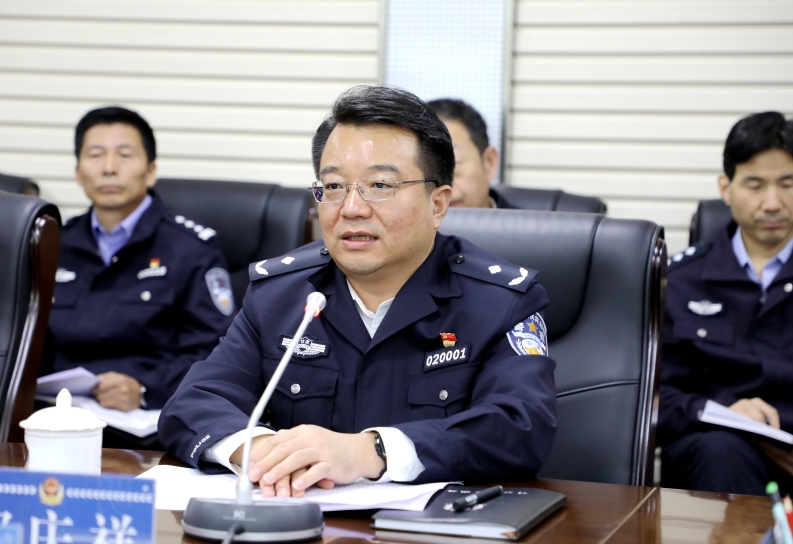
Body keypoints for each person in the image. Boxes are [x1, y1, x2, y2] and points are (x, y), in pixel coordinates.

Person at [159, 86, 557, 498]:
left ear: (437, 204)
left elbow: (520, 427)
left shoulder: (500, 301)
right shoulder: (279, 295)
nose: (351, 208)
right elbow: (193, 402)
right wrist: (263, 452)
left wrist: (370, 452)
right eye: (333, 186)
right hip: (298, 518)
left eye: (380, 185)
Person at [42, 106, 235, 413]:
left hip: (148, 414)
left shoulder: (191, 248)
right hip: (59, 412)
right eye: (95, 155)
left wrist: (147, 389)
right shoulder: (54, 245)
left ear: (151, 170)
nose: (109, 168)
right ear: (78, 172)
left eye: (124, 155)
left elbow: (217, 348)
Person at [659, 111, 793, 495]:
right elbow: (651, 396)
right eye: (755, 185)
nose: (772, 203)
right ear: (726, 188)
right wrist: (719, 412)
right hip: (718, 450)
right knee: (720, 450)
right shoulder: (679, 280)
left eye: (788, 184)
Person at [427, 98, 510, 209]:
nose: (441, 188)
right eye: (426, 170)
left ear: (489, 162)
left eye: (454, 164)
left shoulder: (524, 220)